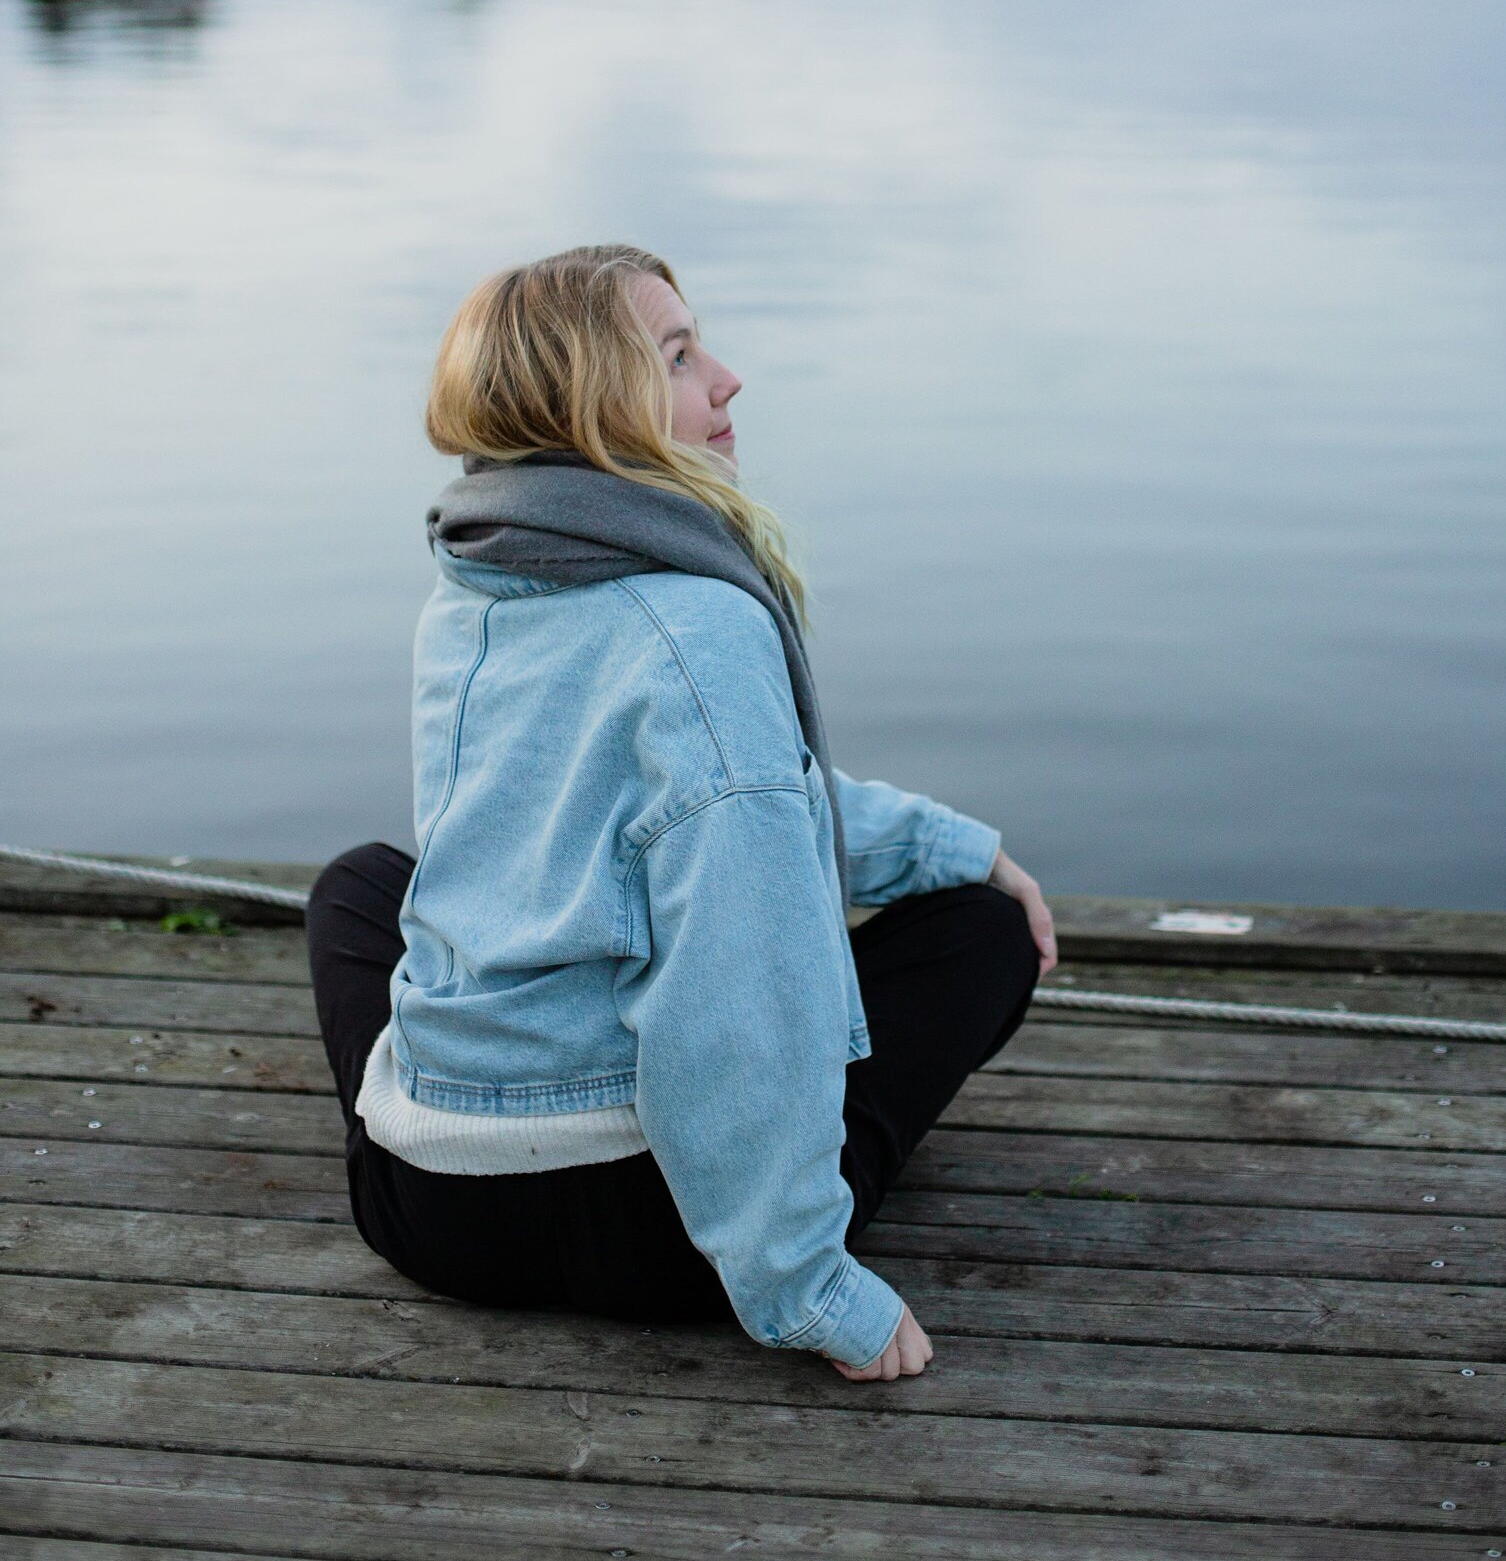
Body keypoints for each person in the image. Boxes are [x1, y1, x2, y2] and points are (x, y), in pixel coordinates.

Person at [307, 244, 1056, 1382]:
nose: (726, 377)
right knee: (981, 934)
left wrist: (946, 846)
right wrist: (805, 1286)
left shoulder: (473, 586)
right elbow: (734, 985)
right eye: (678, 354)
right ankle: (767, 1224)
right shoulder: (700, 631)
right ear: (590, 404)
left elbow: (705, 799)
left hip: (427, 1213)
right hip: (663, 1243)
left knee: (359, 884)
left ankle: (448, 1114)